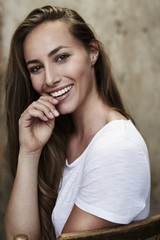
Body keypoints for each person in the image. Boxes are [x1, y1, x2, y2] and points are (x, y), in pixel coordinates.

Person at [4, 5, 151, 240]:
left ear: (92, 52)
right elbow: (19, 237)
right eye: (36, 68)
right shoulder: (62, 136)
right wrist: (29, 152)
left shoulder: (116, 147)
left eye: (61, 57)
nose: (50, 79)